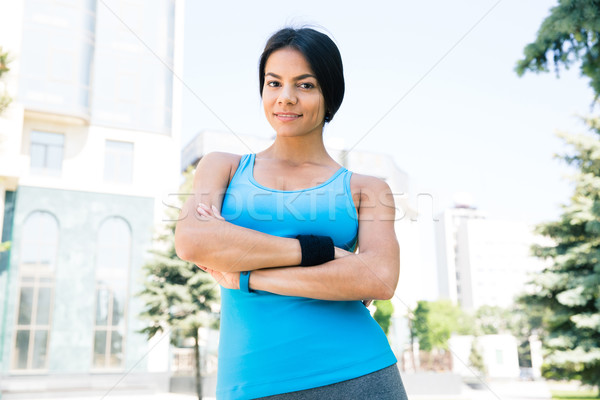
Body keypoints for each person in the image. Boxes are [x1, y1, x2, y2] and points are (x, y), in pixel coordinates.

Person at [175, 26, 408, 400]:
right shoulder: (223, 166)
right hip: (251, 381)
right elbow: (192, 240)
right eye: (273, 83)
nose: (285, 98)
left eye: (305, 85)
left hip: (359, 373)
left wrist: (246, 277)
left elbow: (379, 278)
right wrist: (322, 253)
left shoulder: (367, 188)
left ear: (329, 95)